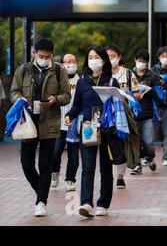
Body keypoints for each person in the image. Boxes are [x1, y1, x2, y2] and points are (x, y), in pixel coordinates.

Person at [10, 38, 71, 217]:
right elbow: (14, 91)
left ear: (52, 55)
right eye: (41, 55)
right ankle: (41, 193)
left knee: (45, 164)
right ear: (34, 53)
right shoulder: (23, 70)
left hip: (49, 122)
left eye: (48, 56)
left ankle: (41, 202)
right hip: (27, 122)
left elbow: (66, 95)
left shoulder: (59, 71)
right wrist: (19, 99)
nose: (44, 59)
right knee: (26, 164)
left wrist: (56, 100)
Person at [65, 46, 120, 218]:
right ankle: (86, 203)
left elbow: (119, 108)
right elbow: (77, 105)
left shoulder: (112, 82)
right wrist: (69, 115)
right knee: (88, 167)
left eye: (96, 57)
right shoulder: (82, 81)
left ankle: (103, 204)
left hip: (107, 130)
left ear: (104, 60)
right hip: (88, 128)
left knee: (106, 167)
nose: (93, 60)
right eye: (90, 57)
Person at [106, 44, 141, 189]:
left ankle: (120, 176)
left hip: (123, 114)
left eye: (113, 56)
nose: (110, 59)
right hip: (107, 115)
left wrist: (127, 94)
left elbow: (138, 93)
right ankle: (111, 174)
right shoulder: (101, 74)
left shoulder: (127, 73)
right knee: (109, 145)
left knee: (122, 145)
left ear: (119, 57)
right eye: (107, 57)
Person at [51, 54, 80, 192]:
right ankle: (54, 172)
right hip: (59, 122)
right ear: (61, 64)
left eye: (73, 61)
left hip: (74, 123)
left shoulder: (80, 80)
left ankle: (70, 179)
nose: (71, 64)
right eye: (68, 62)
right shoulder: (56, 80)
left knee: (73, 154)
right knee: (56, 152)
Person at [131, 49, 162, 175]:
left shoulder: (152, 75)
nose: (141, 63)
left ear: (147, 62)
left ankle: (149, 157)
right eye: (139, 61)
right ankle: (137, 165)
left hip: (147, 113)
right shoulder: (130, 74)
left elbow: (157, 94)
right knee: (135, 140)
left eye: (144, 61)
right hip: (133, 113)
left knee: (148, 141)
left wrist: (147, 89)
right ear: (135, 60)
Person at [151, 46, 167, 166]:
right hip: (155, 106)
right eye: (162, 56)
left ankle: (166, 157)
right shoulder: (153, 70)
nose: (165, 59)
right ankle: (149, 156)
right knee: (151, 133)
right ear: (158, 57)